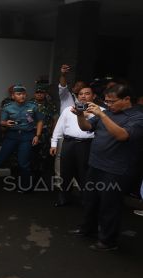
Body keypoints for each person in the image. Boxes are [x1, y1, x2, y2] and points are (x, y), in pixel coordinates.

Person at [72, 84, 143, 251]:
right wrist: (80, 115)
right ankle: (87, 229)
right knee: (90, 201)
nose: (108, 105)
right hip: (95, 164)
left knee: (109, 206)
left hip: (116, 170)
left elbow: (121, 135)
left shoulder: (137, 117)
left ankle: (107, 241)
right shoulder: (107, 113)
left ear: (126, 99)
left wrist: (102, 115)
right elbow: (86, 127)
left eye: (112, 101)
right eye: (106, 101)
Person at [0, 85, 43, 192]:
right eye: (19, 94)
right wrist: (5, 123)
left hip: (27, 136)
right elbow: (1, 122)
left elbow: (39, 121)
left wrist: (37, 135)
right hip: (12, 135)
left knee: (23, 162)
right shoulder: (7, 107)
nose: (22, 96)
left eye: (24, 94)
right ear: (13, 95)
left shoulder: (33, 106)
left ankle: (26, 186)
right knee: (0, 159)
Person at [50, 86, 98, 207]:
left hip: (87, 145)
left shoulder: (100, 111)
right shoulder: (68, 110)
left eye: (87, 93)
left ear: (94, 96)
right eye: (80, 94)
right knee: (65, 172)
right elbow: (59, 127)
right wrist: (54, 143)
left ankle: (85, 200)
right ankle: (63, 198)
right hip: (68, 143)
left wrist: (89, 114)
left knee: (84, 173)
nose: (83, 96)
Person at [30, 81, 58, 181]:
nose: (39, 94)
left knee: (44, 155)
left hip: (45, 132)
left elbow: (55, 119)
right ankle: (32, 174)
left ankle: (41, 175)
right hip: (32, 131)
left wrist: (53, 133)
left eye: (42, 93)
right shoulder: (29, 104)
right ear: (35, 94)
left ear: (45, 94)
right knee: (31, 153)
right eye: (37, 93)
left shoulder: (50, 105)